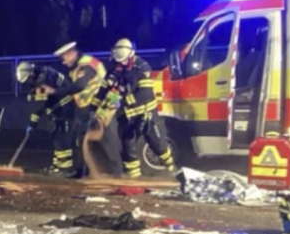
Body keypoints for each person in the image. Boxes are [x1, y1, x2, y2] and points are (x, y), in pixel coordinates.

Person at [103, 39, 176, 177]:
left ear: (131, 54)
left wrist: (122, 101)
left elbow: (144, 94)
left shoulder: (142, 67)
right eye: (119, 61)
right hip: (127, 116)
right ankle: (134, 178)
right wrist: (109, 97)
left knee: (158, 144)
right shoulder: (116, 66)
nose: (122, 63)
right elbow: (112, 89)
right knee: (128, 147)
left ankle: (171, 169)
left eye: (124, 60)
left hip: (146, 114)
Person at [45, 42, 107, 178]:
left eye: (64, 57)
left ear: (72, 53)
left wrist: (55, 91)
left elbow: (79, 86)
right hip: (86, 108)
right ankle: (82, 172)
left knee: (94, 142)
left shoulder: (85, 65)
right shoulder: (76, 68)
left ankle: (108, 173)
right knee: (80, 140)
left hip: (99, 108)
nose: (63, 62)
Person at [17, 61, 75, 174]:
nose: (28, 82)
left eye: (28, 79)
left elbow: (40, 106)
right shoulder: (42, 73)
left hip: (63, 108)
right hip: (58, 107)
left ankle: (65, 169)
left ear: (31, 74)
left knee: (61, 138)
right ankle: (58, 166)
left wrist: (32, 124)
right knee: (56, 136)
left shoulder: (42, 81)